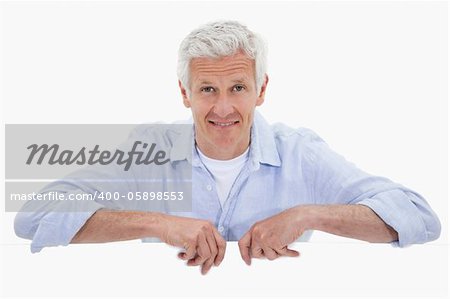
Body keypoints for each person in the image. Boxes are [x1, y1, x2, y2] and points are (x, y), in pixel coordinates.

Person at [14, 20, 441, 275]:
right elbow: (35, 216)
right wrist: (158, 223)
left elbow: (418, 216)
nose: (222, 107)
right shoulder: (149, 151)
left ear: (261, 89)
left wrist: (309, 214)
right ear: (185, 93)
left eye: (238, 87)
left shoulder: (301, 153)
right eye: (206, 89)